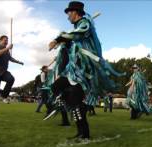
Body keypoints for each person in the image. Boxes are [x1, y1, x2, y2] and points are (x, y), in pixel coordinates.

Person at [46, 1, 124, 139]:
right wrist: (62, 42)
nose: (67, 16)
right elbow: (70, 41)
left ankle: (83, 133)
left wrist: (57, 39)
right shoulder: (78, 27)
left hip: (83, 74)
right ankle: (77, 117)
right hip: (73, 72)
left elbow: (75, 35)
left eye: (69, 13)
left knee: (74, 101)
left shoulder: (85, 24)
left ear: (75, 12)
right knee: (56, 87)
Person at [0, 35, 24, 117]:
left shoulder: (7, 51)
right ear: (0, 41)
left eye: (7, 41)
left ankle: (4, 96)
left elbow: (10, 58)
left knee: (11, 79)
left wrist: (19, 62)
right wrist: (7, 48)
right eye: (5, 40)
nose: (6, 42)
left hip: (4, 72)